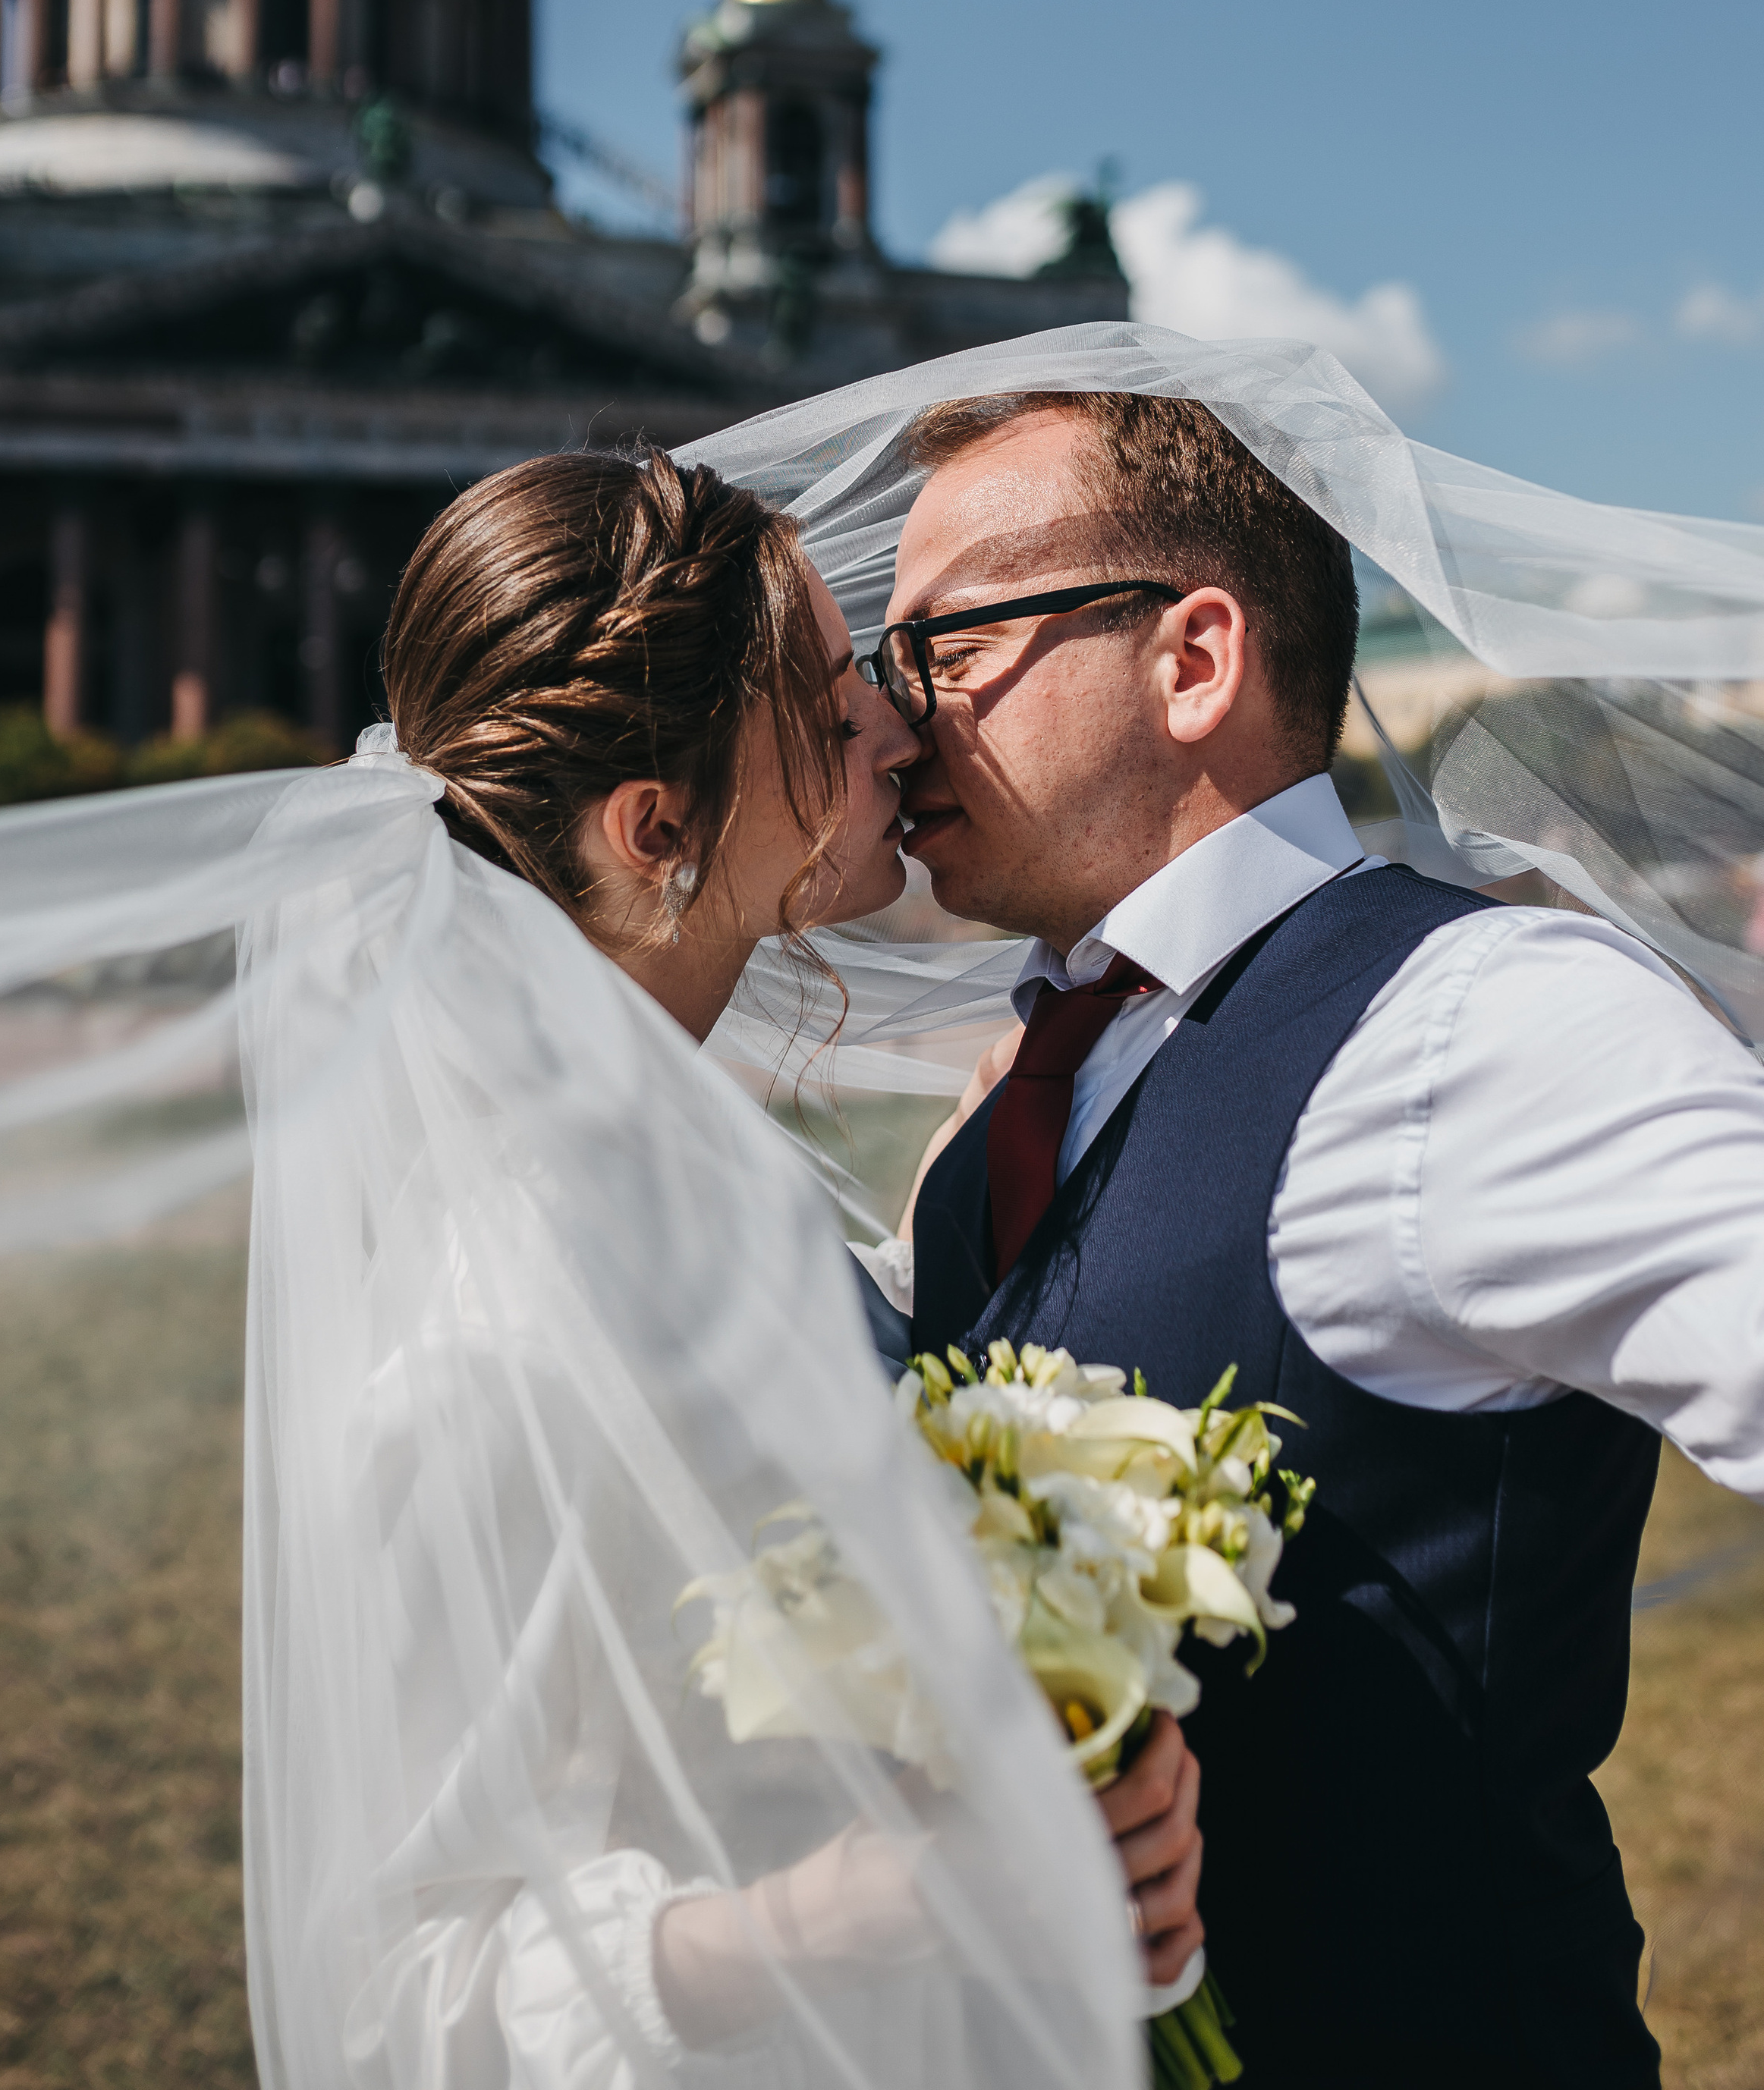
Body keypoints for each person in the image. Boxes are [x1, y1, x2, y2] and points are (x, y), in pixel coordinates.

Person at [854, 388, 1764, 2090]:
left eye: (947, 641)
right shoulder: (1018, 1088)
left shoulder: (1480, 1029)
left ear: (1191, 661)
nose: (890, 715)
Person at [375, 445, 1205, 2026]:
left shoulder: (664, 1153)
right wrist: (868, 1907)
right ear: (654, 829)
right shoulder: (495, 1338)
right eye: (833, 711)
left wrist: (942, 1220)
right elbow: (402, 1990)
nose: (902, 728)